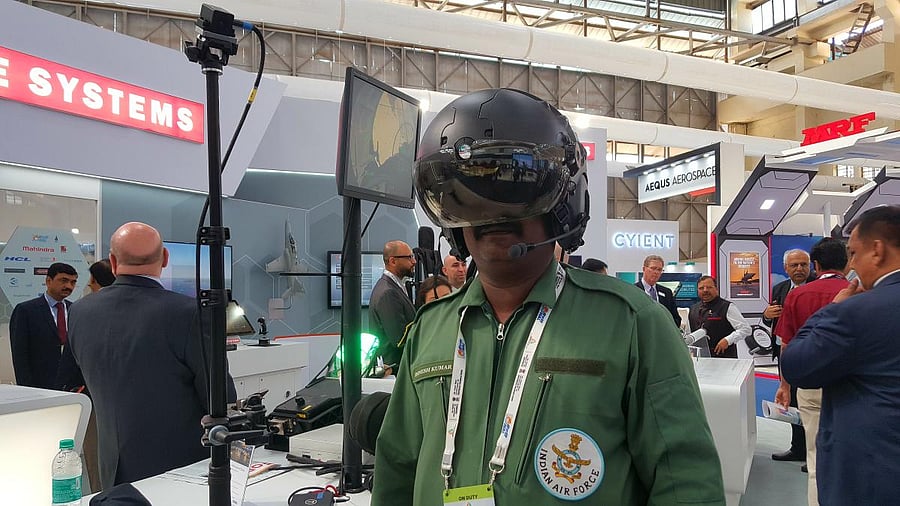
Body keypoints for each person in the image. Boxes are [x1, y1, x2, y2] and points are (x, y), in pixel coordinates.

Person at [373, 88, 724, 505]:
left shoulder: (632, 324)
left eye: (514, 190)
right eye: (467, 194)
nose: (491, 215)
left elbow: (684, 482)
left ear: (564, 204)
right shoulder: (430, 329)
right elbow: (397, 467)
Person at [67, 222, 236, 490]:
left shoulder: (79, 312)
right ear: (165, 258)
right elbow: (220, 399)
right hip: (179, 471)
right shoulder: (189, 314)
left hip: (111, 467)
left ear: (112, 262)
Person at [782, 206, 900, 505]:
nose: (852, 265)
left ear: (877, 250)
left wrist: (832, 308)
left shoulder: (856, 311)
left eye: (855, 253)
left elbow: (796, 364)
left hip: (872, 472)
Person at [774, 237, 849, 505]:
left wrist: (785, 385)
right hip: (852, 387)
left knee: (816, 456)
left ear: (815, 265)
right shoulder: (859, 291)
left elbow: (786, 344)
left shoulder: (797, 295)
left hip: (810, 384)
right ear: (848, 261)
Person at [763, 248, 811, 463]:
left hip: (809, 353)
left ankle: (813, 453)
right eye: (795, 265)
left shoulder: (815, 286)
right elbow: (772, 321)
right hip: (784, 352)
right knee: (789, 399)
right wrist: (766, 316)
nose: (799, 269)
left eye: (803, 264)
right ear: (786, 268)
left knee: (811, 404)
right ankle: (797, 448)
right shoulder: (780, 288)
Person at [10, 262, 78, 389]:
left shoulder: (75, 309)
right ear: (48, 281)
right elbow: (20, 355)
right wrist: (27, 388)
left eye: (73, 282)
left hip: (70, 386)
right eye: (63, 280)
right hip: (39, 384)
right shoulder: (26, 310)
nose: (69, 286)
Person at [369, 240, 417, 371]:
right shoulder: (388, 292)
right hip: (394, 369)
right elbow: (399, 339)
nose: (414, 262)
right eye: (409, 257)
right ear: (393, 261)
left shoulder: (393, 287)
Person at [688, 275, 751, 358]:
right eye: (701, 288)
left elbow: (746, 329)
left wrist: (727, 340)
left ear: (716, 289)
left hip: (724, 357)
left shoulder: (727, 307)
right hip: (700, 358)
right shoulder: (693, 309)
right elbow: (690, 332)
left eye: (709, 287)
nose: (705, 290)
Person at [635, 255, 681, 327]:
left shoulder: (667, 293)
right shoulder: (634, 291)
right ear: (644, 269)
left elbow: (676, 318)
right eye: (653, 268)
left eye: (659, 269)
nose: (656, 272)